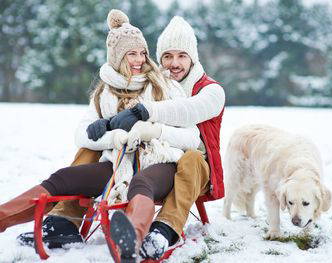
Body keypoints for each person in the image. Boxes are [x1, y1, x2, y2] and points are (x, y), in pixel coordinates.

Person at [0, 10, 199, 263]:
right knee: (64, 177)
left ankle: (132, 241)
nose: (139, 60)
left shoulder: (165, 86)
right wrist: (109, 136)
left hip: (160, 162)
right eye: (131, 54)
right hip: (118, 163)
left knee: (141, 184)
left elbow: (192, 136)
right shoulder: (104, 93)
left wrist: (149, 131)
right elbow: (81, 133)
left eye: (142, 53)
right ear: (117, 56)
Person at [109, 16, 226, 260]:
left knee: (192, 158)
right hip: (156, 163)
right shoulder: (150, 85)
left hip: (198, 169)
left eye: (182, 55)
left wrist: (145, 111)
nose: (174, 63)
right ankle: (64, 219)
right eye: (167, 56)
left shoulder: (211, 90)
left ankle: (165, 230)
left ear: (193, 57)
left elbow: (186, 111)